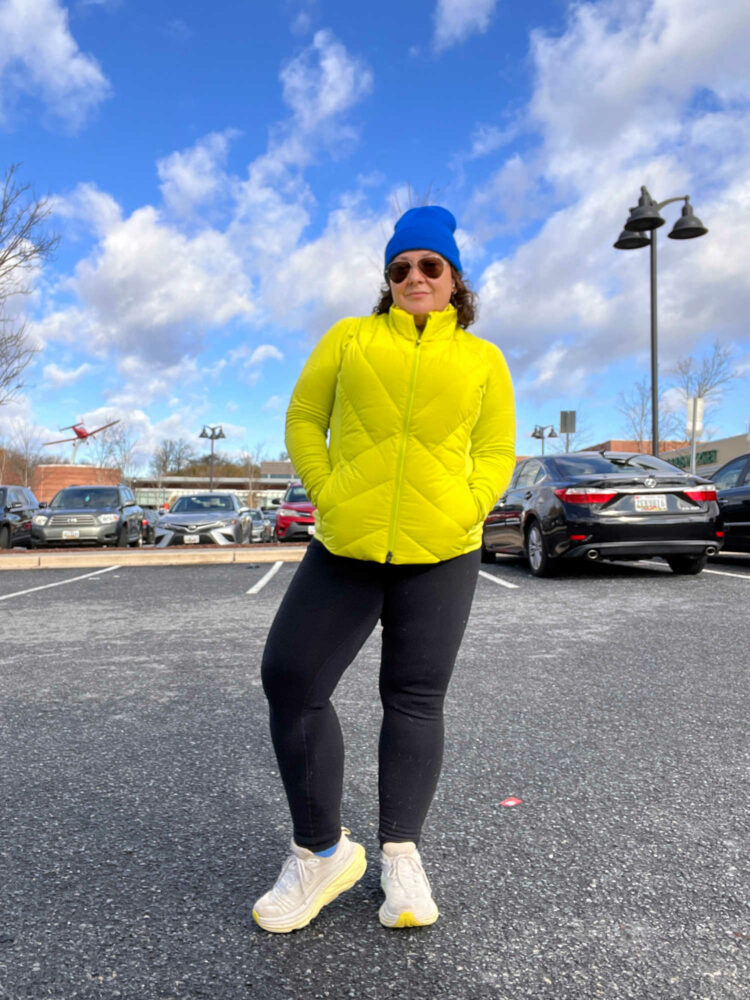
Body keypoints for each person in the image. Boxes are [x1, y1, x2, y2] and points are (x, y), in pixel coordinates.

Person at [253, 205, 515, 933]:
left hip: (444, 551)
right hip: (347, 542)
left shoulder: (483, 359)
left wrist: (466, 506)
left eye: (430, 266)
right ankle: (321, 854)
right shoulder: (349, 339)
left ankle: (401, 853)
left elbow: (496, 452)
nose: (414, 278)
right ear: (388, 279)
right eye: (400, 268)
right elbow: (305, 419)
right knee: (291, 677)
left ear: (454, 278)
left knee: (414, 697)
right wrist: (330, 493)